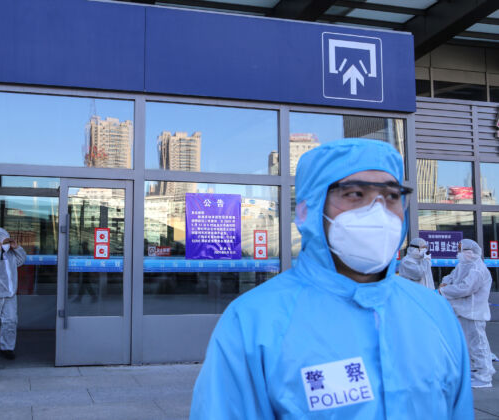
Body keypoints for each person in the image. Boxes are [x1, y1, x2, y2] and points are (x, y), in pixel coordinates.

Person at [190, 139, 472, 419]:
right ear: (307, 211)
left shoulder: (434, 313)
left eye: (391, 197)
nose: (378, 212)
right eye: (355, 194)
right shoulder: (253, 323)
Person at [439, 239, 496, 388]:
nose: (459, 253)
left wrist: (443, 290)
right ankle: (479, 370)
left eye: (461, 250)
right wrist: (445, 283)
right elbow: (450, 277)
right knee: (470, 345)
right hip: (463, 311)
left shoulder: (477, 269)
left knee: (479, 345)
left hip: (474, 312)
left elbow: (465, 288)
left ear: (471, 252)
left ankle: (484, 378)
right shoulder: (463, 266)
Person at [0, 227, 26, 360]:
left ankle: (7, 348)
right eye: (4, 242)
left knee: (10, 322)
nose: (6, 245)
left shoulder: (11, 254)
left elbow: (22, 260)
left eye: (7, 241)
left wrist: (16, 247)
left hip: (10, 296)